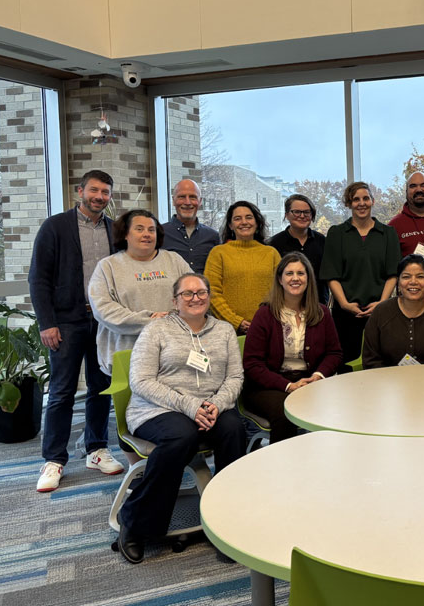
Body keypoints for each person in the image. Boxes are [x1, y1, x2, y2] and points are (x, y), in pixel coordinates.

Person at [115, 273, 245, 564]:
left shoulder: (224, 331)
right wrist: (189, 405)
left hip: (210, 407)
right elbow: (141, 381)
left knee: (234, 429)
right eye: (187, 294)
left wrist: (217, 404)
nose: (195, 298)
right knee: (181, 436)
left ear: (209, 297)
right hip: (156, 408)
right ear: (175, 301)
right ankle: (135, 522)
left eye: (201, 292)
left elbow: (235, 376)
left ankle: (228, 524)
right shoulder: (156, 330)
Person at [29, 169, 124, 492]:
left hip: (103, 322)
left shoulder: (115, 230)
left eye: (105, 193)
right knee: (61, 392)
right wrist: (47, 323)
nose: (99, 197)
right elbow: (38, 279)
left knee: (101, 388)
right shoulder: (55, 227)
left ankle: (96, 448)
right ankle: (54, 459)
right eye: (94, 191)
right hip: (66, 322)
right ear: (80, 191)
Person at [242, 253, 343, 443]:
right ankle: (284, 468)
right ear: (280, 279)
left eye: (300, 273)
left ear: (308, 279)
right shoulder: (265, 314)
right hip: (268, 386)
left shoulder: (321, 312)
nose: (295, 278)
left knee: (341, 406)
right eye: (289, 273)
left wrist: (318, 376)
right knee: (286, 413)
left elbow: (334, 353)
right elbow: (252, 364)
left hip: (310, 382)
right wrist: (288, 386)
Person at [88, 209, 192, 378]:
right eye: (139, 229)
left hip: (173, 353)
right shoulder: (108, 266)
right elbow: (103, 309)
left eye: (151, 230)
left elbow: (195, 296)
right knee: (130, 405)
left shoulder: (174, 260)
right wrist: (150, 320)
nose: (147, 234)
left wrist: (172, 318)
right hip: (127, 354)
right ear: (126, 234)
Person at [320, 182, 400, 366]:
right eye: (356, 199)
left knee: (382, 365)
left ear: (372, 201)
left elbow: (392, 275)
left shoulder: (388, 233)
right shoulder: (336, 233)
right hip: (346, 314)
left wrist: (381, 303)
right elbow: (331, 275)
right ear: (349, 204)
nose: (361, 203)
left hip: (380, 312)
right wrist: (345, 304)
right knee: (346, 365)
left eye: (365, 198)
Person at [362, 255, 424, 368]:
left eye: (420, 276)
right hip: (387, 382)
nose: (413, 282)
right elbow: (371, 361)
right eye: (406, 277)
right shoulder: (380, 313)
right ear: (398, 282)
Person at [204, 201, 281, 334]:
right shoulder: (218, 253)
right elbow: (212, 293)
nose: (244, 222)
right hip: (228, 331)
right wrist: (236, 322)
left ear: (257, 223)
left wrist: (267, 322)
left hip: (268, 329)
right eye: (237, 219)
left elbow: (282, 291)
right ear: (230, 225)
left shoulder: (271, 253)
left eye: (249, 217)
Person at [269, 194, 329, 305]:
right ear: (287, 215)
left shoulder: (323, 241)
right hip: (284, 307)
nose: (302, 216)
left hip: (318, 306)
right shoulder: (273, 244)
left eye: (306, 212)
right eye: (296, 212)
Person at [161, 178, 220, 273]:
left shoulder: (213, 236)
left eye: (193, 197)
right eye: (182, 197)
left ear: (200, 201)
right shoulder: (159, 233)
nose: (187, 202)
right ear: (173, 200)